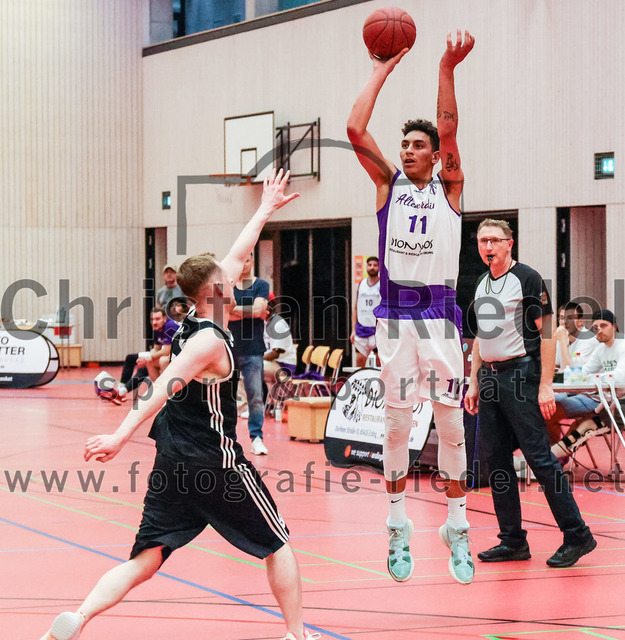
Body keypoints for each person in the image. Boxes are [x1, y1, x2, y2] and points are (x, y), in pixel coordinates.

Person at [40, 170, 321, 640]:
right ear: (213, 291)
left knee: (146, 558)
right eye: (227, 279)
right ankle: (297, 635)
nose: (236, 277)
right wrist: (119, 436)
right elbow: (160, 388)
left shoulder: (197, 312)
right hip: (214, 460)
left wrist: (265, 208)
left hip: (173, 459)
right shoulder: (206, 342)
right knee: (278, 544)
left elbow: (239, 252)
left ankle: (78, 619)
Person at [346, 30, 475, 585]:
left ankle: (457, 525)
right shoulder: (388, 185)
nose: (408, 151)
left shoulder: (450, 188)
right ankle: (397, 524)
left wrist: (446, 66)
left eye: (418, 145)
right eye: (404, 145)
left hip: (440, 318)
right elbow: (355, 129)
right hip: (396, 319)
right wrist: (384, 67)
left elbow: (449, 126)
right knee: (396, 428)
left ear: (435, 154)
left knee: (451, 427)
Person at [464, 219, 596, 568]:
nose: (487, 246)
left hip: (521, 376)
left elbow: (548, 332)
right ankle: (512, 541)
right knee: (496, 462)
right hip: (490, 379)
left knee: (539, 458)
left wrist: (545, 385)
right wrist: (474, 381)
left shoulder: (527, 278)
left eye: (494, 240)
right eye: (482, 241)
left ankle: (577, 535)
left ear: (510, 244)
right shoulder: (481, 283)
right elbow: (480, 338)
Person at [550, 309, 625, 459]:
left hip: (620, 404)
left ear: (614, 327)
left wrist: (589, 378)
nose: (599, 330)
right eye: (596, 327)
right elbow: (583, 372)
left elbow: (619, 377)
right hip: (605, 403)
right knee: (557, 416)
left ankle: (547, 461)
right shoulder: (601, 349)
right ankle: (548, 461)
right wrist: (553, 378)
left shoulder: (622, 346)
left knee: (584, 427)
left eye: (604, 326)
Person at [229, 252, 271, 455]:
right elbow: (222, 314)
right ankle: (226, 437)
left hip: (253, 348)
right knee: (225, 396)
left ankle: (256, 438)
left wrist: (235, 310)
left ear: (252, 262)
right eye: (241, 260)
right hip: (229, 348)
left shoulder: (261, 285)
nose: (243, 264)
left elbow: (258, 310)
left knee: (255, 396)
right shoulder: (228, 286)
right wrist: (251, 311)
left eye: (247, 260)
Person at [94, 308, 179, 404]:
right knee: (139, 362)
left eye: (157, 319)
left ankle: (164, 393)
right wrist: (145, 358)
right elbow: (156, 348)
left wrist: (148, 357)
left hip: (177, 356)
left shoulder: (169, 326)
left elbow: (167, 351)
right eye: (152, 319)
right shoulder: (157, 328)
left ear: (164, 318)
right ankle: (122, 390)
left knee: (160, 361)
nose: (154, 322)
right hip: (170, 354)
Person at [264, 295, 297, 400]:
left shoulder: (278, 324)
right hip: (273, 364)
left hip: (284, 366)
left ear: (270, 305)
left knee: (248, 368)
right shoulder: (265, 323)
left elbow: (274, 354)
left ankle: (248, 406)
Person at [350, 256, 381, 368]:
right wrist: (353, 330)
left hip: (377, 330)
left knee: (379, 363)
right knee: (359, 362)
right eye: (370, 265)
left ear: (379, 267)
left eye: (375, 265)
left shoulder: (382, 285)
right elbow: (355, 308)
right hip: (362, 329)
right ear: (366, 267)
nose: (372, 267)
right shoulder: (361, 284)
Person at [554, 301, 598, 372]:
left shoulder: (589, 340)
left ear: (580, 321)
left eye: (570, 318)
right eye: (562, 318)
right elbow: (556, 365)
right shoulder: (563, 337)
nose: (565, 322)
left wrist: (562, 342)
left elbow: (570, 371)